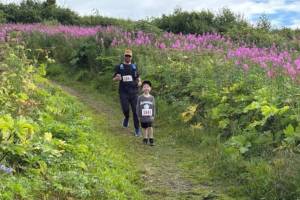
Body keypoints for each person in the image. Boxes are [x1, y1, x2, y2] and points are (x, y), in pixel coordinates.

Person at [113, 48, 142, 136]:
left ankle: (137, 129)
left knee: (135, 111)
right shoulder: (119, 67)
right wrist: (116, 78)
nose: (128, 57)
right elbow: (114, 78)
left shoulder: (134, 66)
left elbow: (138, 77)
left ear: (131, 57)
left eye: (129, 56)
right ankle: (126, 117)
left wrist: (140, 82)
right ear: (124, 56)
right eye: (126, 56)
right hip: (123, 92)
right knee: (125, 109)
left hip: (134, 92)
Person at [136, 80, 155, 146]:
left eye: (148, 87)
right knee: (144, 127)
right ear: (142, 89)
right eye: (144, 87)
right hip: (143, 116)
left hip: (149, 116)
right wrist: (138, 115)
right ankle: (145, 138)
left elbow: (153, 107)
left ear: (150, 88)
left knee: (150, 127)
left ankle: (151, 139)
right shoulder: (140, 98)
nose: (146, 88)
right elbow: (138, 107)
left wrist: (153, 115)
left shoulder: (152, 98)